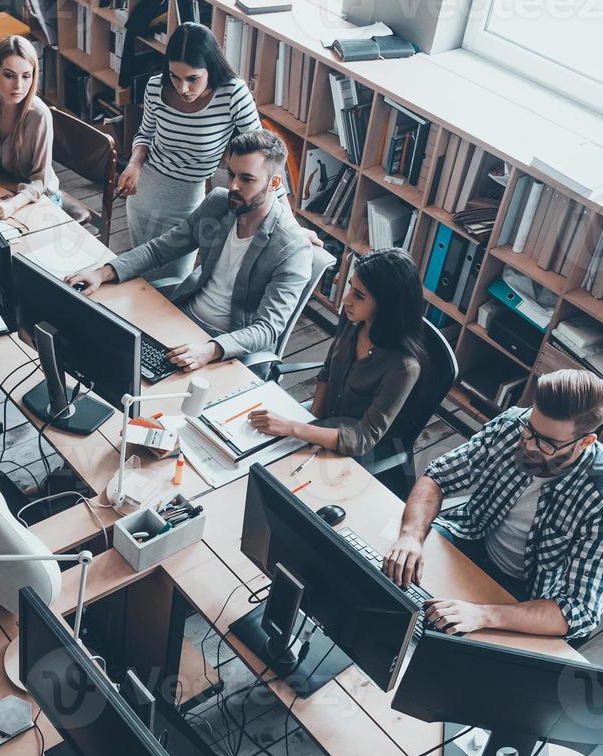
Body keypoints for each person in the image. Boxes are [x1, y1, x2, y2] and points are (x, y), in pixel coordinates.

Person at [383, 369, 603, 641]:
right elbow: (438, 476)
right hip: (471, 537)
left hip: (527, 594)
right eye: (530, 429)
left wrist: (482, 615)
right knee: (388, 580)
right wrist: (410, 536)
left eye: (547, 444)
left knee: (441, 647)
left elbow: (578, 611)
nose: (528, 445)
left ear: (585, 442)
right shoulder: (513, 424)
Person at [66, 130, 310, 370]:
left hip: (225, 347)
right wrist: (103, 273)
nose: (233, 186)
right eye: (231, 174)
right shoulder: (219, 203)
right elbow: (159, 250)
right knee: (99, 345)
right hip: (182, 315)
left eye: (246, 179)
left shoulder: (292, 248)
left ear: (274, 183)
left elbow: (268, 329)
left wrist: (211, 349)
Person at [249, 248, 425, 460]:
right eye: (351, 287)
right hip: (323, 423)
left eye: (359, 296)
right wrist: (311, 420)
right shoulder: (353, 319)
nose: (346, 300)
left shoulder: (404, 367)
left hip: (360, 449)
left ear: (387, 305)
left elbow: (363, 438)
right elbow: (328, 370)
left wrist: (295, 428)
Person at [120, 22, 261, 281]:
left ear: (211, 67)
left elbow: (263, 156)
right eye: (175, 76)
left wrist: (288, 219)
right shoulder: (155, 87)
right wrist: (134, 164)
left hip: (186, 208)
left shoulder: (232, 93)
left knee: (170, 288)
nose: (182, 88)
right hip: (143, 197)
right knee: (138, 283)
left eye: (192, 78)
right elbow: (145, 135)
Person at [0, 35, 79, 222]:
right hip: (4, 186)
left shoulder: (39, 115)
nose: (18, 86)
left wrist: (11, 205)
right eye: (9, 75)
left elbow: (40, 181)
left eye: (26, 76)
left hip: (40, 199)